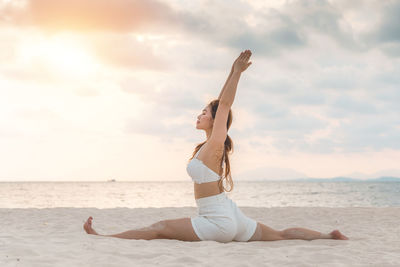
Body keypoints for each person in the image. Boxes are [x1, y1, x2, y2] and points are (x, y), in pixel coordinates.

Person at [83, 49, 349, 242]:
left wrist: (235, 73)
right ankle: (328, 236)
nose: (199, 115)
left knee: (160, 227)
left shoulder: (215, 144)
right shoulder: (211, 145)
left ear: (214, 120)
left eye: (203, 113)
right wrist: (230, 74)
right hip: (233, 216)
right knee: (279, 235)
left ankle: (103, 236)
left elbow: (223, 106)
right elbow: (220, 105)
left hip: (217, 221)